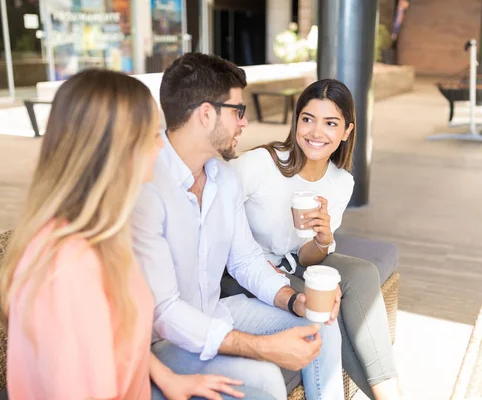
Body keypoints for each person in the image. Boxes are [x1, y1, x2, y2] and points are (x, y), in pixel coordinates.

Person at [0, 69, 267, 400]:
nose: (161, 147)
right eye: (152, 135)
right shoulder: (69, 269)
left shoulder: (102, 235)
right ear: (116, 151)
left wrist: (167, 378)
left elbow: (120, 337)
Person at [131, 53, 344, 400]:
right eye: (237, 111)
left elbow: (245, 261)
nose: (244, 123)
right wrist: (262, 347)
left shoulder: (223, 178)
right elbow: (164, 311)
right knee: (262, 378)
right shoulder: (146, 185)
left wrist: (294, 301)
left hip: (216, 314)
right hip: (162, 341)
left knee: (321, 327)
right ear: (205, 114)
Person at [228, 79, 403, 399]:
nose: (316, 132)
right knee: (326, 312)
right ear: (296, 121)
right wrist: (262, 264)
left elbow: (307, 258)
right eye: (307, 119)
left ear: (347, 131)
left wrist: (323, 239)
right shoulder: (259, 165)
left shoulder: (340, 182)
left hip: (296, 264)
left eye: (330, 123)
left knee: (364, 272)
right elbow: (216, 222)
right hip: (249, 273)